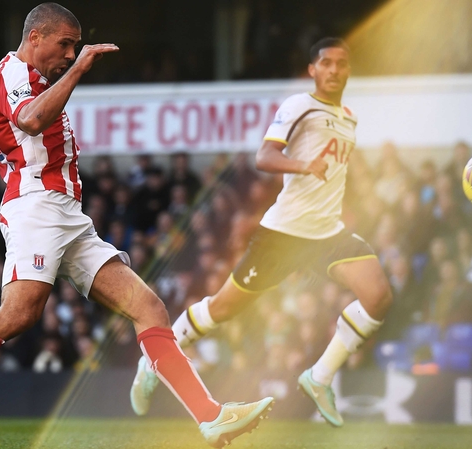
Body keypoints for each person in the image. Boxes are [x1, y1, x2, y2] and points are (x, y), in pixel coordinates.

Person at [0, 4, 273, 448]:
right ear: (35, 38)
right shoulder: (17, 77)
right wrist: (80, 69)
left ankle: (210, 417)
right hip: (37, 206)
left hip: (67, 215)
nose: (70, 53)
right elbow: (29, 119)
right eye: (64, 43)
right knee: (18, 315)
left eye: (74, 47)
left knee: (149, 308)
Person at [130, 37, 393, 428]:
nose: (335, 70)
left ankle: (319, 378)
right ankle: (155, 358)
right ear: (313, 70)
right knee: (223, 308)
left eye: (342, 63)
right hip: (283, 235)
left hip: (327, 233)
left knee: (378, 296)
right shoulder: (299, 106)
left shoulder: (349, 118)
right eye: (327, 63)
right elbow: (265, 156)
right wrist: (305, 167)